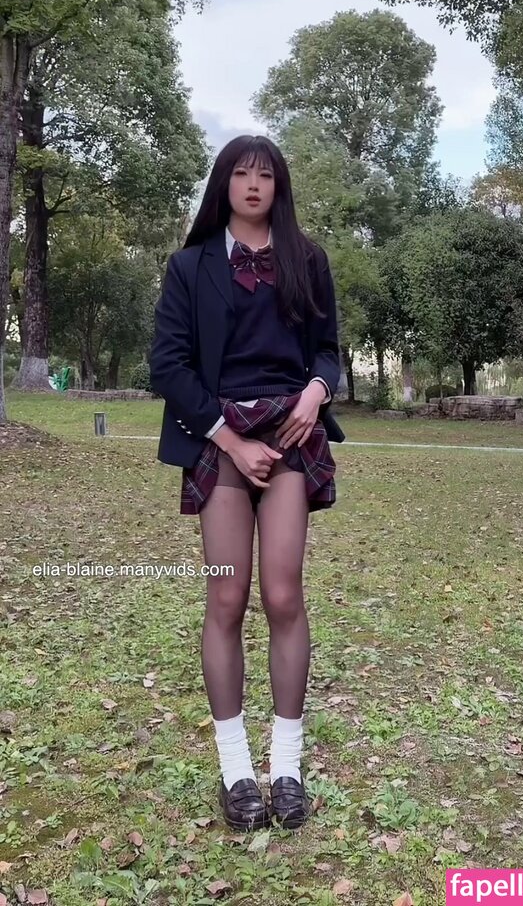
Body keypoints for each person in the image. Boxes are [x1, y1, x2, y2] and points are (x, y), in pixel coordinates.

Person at [149, 135, 344, 833]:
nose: (254, 184)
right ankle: (237, 772)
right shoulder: (189, 266)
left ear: (278, 186)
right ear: (224, 184)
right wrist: (229, 439)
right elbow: (168, 365)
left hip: (291, 431)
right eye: (241, 173)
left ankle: (286, 768)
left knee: (283, 595)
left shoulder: (307, 259)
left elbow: (329, 351)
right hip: (218, 434)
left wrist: (315, 393)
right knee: (227, 597)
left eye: (265, 174)